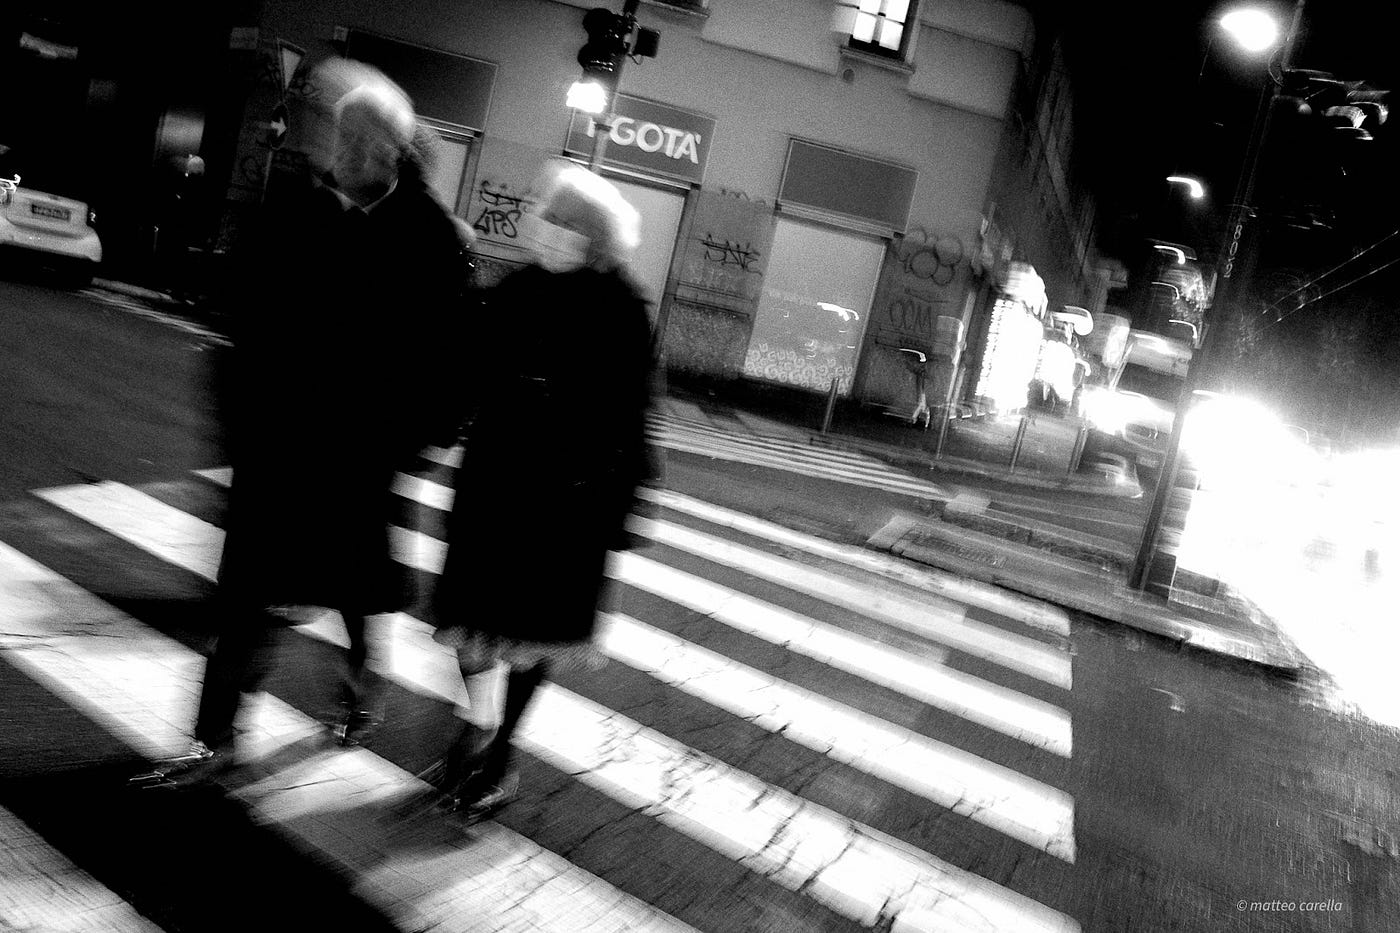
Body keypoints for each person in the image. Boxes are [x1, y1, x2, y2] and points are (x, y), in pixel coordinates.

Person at [136, 65, 467, 787]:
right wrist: (240, 419)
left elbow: (449, 358)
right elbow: (245, 319)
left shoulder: (431, 238)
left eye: (356, 143)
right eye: (340, 139)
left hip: (359, 455)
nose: (340, 153)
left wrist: (415, 442)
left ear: (388, 151)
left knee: (351, 592)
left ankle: (361, 687)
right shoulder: (298, 212)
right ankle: (216, 737)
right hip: (279, 444)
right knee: (249, 595)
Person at [421, 162, 660, 822]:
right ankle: (480, 721)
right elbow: (469, 367)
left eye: (566, 221)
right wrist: (440, 421)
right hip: (495, 485)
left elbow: (632, 411)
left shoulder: (620, 308)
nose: (548, 228)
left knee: (533, 630)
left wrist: (627, 498)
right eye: (547, 215)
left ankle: (499, 753)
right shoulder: (516, 289)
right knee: (472, 620)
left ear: (596, 237)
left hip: (567, 499)